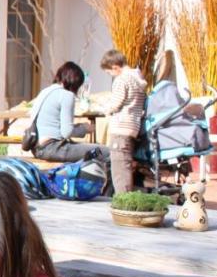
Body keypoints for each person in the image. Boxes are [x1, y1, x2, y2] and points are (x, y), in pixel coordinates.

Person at [32, 61, 110, 166]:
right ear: (75, 83)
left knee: (92, 150)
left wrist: (79, 127)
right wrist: (85, 128)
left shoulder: (45, 91)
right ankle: (105, 182)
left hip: (37, 148)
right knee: (107, 152)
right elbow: (66, 132)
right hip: (54, 148)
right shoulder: (66, 95)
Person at [100, 49, 148, 195]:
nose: (111, 75)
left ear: (115, 67)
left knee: (120, 169)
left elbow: (116, 103)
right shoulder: (137, 78)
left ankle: (123, 202)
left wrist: (104, 108)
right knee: (126, 165)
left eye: (109, 72)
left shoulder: (122, 79)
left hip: (121, 127)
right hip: (133, 126)